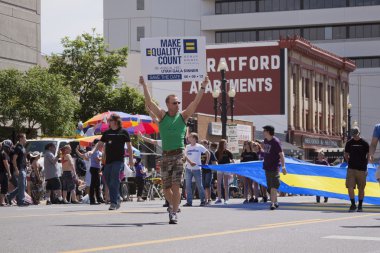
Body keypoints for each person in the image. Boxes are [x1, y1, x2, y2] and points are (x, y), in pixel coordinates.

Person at [139, 75, 209, 224]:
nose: (177, 104)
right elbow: (150, 103)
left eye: (178, 102)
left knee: (176, 186)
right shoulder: (162, 116)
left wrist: (203, 86)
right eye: (174, 102)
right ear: (168, 104)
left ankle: (173, 212)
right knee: (166, 188)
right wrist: (144, 85)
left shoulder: (183, 116)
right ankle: (173, 205)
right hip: (165, 156)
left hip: (178, 155)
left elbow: (195, 103)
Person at [90, 113, 134, 211]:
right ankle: (117, 197)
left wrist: (131, 160)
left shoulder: (123, 132)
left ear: (115, 121)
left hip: (118, 161)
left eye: (110, 120)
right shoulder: (107, 133)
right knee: (107, 179)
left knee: (114, 179)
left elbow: (129, 147)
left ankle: (113, 203)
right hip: (108, 161)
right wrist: (92, 151)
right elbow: (99, 144)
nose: (108, 122)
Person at [344, 126, 369, 212]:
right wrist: (349, 162)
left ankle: (360, 205)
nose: (354, 136)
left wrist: (366, 167)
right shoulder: (349, 143)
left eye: (355, 135)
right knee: (350, 187)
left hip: (362, 169)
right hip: (351, 169)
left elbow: (368, 156)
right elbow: (346, 154)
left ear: (359, 133)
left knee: (361, 188)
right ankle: (353, 204)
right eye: (353, 135)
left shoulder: (365, 143)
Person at [262, 125, 287, 210]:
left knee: (274, 186)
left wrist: (283, 166)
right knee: (269, 187)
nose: (263, 132)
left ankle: (272, 204)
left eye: (264, 130)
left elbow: (281, 154)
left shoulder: (276, 142)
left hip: (275, 167)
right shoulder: (265, 141)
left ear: (268, 132)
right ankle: (275, 201)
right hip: (267, 167)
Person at [183, 133, 209, 207]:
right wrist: (190, 162)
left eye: (190, 137)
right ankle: (189, 202)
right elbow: (184, 155)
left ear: (194, 138)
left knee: (199, 185)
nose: (188, 138)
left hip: (197, 169)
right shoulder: (187, 147)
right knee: (188, 185)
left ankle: (203, 201)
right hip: (188, 168)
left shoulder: (199, 146)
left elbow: (208, 153)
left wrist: (206, 163)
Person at [76, 140, 104, 205]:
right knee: (94, 185)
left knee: (96, 185)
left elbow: (82, 156)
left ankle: (97, 199)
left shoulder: (91, 151)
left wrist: (77, 151)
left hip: (94, 169)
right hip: (95, 169)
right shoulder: (96, 151)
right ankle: (93, 200)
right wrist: (103, 157)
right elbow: (97, 160)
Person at [7, 133, 29, 206]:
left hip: (24, 168)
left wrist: (26, 163)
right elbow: (14, 159)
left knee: (22, 186)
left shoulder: (23, 147)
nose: (26, 139)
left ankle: (9, 196)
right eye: (25, 137)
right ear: (21, 139)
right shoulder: (18, 147)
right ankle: (21, 201)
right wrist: (16, 169)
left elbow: (23, 158)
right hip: (20, 169)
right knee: (22, 185)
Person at [215, 139, 234, 205]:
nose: (226, 145)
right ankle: (219, 198)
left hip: (227, 168)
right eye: (225, 144)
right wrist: (216, 165)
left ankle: (226, 199)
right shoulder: (217, 152)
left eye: (226, 144)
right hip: (220, 167)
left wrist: (231, 167)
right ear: (222, 144)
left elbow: (232, 160)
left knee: (226, 184)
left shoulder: (228, 152)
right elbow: (215, 161)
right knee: (218, 183)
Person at [200, 139, 217, 205]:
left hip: (208, 171)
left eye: (203, 144)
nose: (202, 145)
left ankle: (209, 199)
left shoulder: (210, 152)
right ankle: (205, 199)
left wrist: (213, 168)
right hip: (201, 170)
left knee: (208, 185)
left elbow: (214, 162)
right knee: (203, 185)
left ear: (207, 145)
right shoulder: (200, 152)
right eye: (201, 144)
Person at [0, 140, 12, 206]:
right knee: (4, 187)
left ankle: (2, 201)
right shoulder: (3, 153)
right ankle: (2, 202)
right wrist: (9, 173)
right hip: (3, 172)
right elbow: (6, 164)